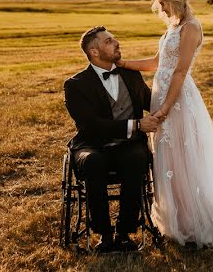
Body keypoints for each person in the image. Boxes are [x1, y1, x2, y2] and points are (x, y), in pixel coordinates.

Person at [117, 0, 213, 247]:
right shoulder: (172, 27)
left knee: (184, 156)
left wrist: (167, 106)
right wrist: (122, 63)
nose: (158, 6)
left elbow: (180, 71)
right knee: (167, 158)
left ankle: (195, 221)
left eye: (160, 1)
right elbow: (156, 64)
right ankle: (177, 220)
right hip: (162, 97)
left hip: (178, 99)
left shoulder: (191, 28)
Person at [63, 26, 162, 253]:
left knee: (137, 158)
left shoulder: (131, 74)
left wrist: (177, 98)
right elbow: (91, 126)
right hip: (91, 145)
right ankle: (104, 235)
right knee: (93, 162)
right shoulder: (75, 85)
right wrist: (136, 125)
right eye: (109, 41)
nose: (116, 43)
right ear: (95, 52)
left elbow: (151, 104)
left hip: (129, 145)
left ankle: (125, 233)